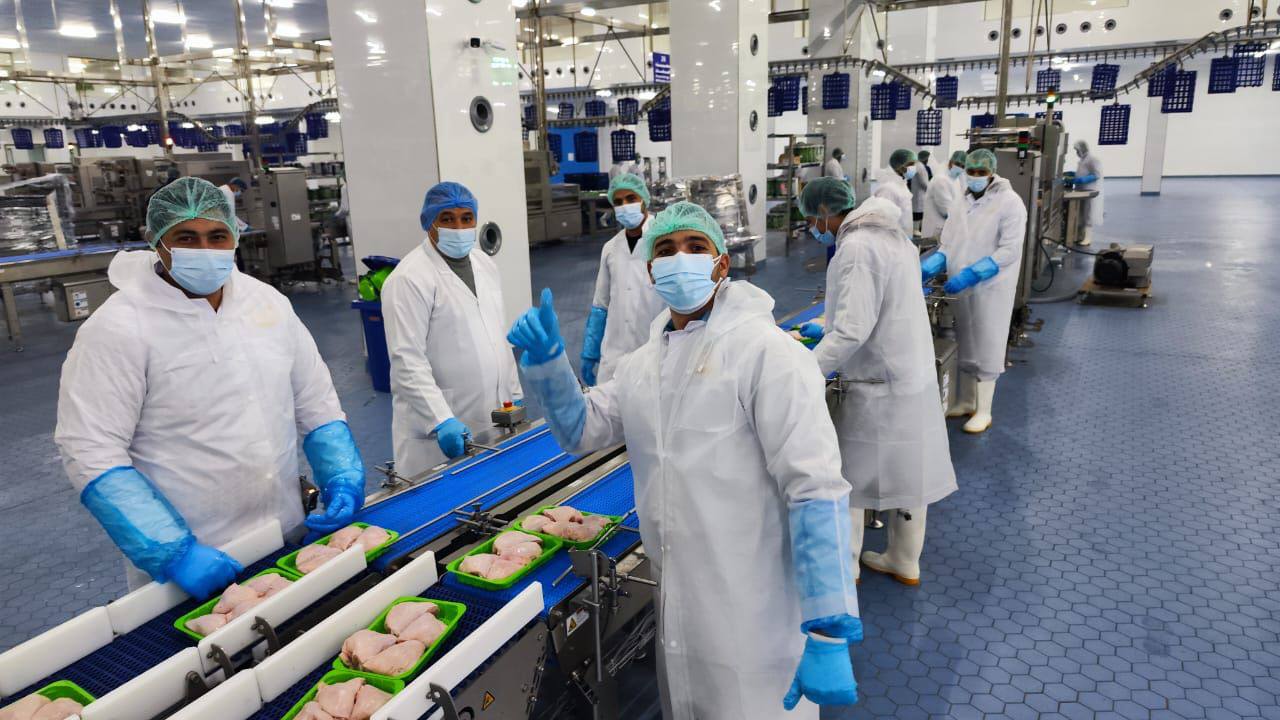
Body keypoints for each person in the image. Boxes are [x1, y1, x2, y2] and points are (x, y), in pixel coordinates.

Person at [508, 201, 861, 720]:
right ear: (652, 271)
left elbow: (815, 487)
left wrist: (828, 625)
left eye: (695, 247)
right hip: (678, 605)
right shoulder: (643, 364)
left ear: (721, 263)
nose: (680, 259)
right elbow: (583, 428)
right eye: (667, 250)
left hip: (756, 608)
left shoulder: (768, 355)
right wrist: (549, 367)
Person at [55, 177, 364, 598]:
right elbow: (90, 449)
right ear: (157, 242)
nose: (204, 249)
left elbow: (314, 400)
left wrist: (341, 473)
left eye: (217, 236)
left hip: (286, 531)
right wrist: (172, 551)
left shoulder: (266, 302)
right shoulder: (119, 328)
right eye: (187, 238)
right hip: (194, 555)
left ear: (235, 236)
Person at [797, 178, 957, 585]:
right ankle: (904, 560)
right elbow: (880, 307)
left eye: (812, 220)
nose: (813, 228)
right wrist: (828, 327)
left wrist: (805, 371)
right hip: (909, 373)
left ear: (824, 212)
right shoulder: (894, 236)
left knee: (851, 477)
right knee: (909, 473)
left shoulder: (855, 247)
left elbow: (852, 330)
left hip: (876, 382)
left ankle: (846, 569)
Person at [380, 182, 522, 478]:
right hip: (437, 431)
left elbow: (498, 336)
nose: (459, 228)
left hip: (495, 415)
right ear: (429, 222)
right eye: (447, 219)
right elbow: (407, 360)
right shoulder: (408, 278)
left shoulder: (485, 264)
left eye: (466, 218)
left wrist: (514, 392)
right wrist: (441, 419)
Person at [921, 148, 1027, 434]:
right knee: (966, 341)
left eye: (982, 172)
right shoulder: (961, 200)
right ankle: (967, 401)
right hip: (961, 286)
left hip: (990, 287)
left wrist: (974, 273)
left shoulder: (1010, 203)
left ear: (992, 173)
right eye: (972, 171)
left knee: (987, 344)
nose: (976, 176)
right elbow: (949, 241)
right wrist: (935, 263)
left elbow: (1009, 250)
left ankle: (984, 411)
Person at [581, 173, 666, 386]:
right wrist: (591, 351)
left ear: (643, 200)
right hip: (614, 355)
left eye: (631, 199)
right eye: (618, 202)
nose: (624, 206)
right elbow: (600, 305)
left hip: (655, 351)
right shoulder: (610, 248)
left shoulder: (664, 241)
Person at [921, 150, 967, 239]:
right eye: (958, 164)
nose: (960, 168)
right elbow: (946, 211)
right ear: (950, 162)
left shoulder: (954, 179)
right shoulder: (941, 180)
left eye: (963, 166)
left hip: (946, 229)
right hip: (936, 230)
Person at [871, 148, 916, 237]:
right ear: (900, 166)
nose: (914, 168)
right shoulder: (888, 189)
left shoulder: (901, 184)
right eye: (911, 164)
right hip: (892, 238)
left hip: (903, 236)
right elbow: (884, 221)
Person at [1072, 140, 1103, 247]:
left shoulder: (1092, 159)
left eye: (1077, 150)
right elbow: (1082, 172)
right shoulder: (1082, 160)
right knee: (1081, 214)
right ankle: (1080, 236)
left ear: (1082, 149)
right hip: (1081, 190)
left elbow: (1097, 174)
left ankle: (1087, 238)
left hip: (1089, 190)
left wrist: (1085, 179)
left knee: (1087, 214)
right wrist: (1075, 175)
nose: (1077, 152)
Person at [909, 154, 930, 230]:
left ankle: (916, 231)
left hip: (917, 195)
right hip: (919, 196)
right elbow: (924, 183)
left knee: (917, 216)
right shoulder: (920, 167)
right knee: (917, 218)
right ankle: (916, 232)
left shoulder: (917, 166)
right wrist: (932, 189)